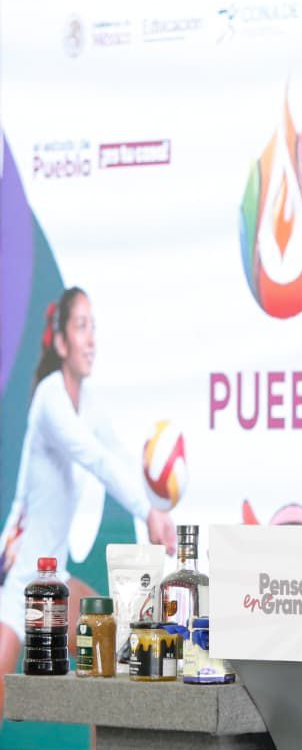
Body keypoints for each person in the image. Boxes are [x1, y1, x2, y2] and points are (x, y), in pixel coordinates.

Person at [0, 288, 174, 714]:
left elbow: (116, 456)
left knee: (106, 659)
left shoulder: (89, 403)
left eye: (93, 327)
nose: (91, 339)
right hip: (17, 578)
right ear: (61, 343)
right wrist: (146, 511)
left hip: (52, 577)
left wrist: (157, 508)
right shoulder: (50, 397)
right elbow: (93, 457)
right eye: (81, 327)